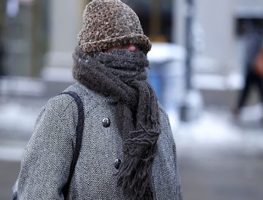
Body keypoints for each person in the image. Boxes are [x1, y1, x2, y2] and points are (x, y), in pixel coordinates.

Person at [16, 0, 183, 199]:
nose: (131, 49)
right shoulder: (65, 111)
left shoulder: (154, 113)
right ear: (98, 49)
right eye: (121, 42)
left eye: (136, 43)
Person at [232, 23, 263, 119]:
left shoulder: (253, 39)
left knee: (251, 91)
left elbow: (250, 56)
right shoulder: (256, 38)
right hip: (254, 70)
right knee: (259, 91)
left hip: (254, 70)